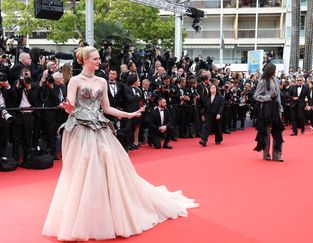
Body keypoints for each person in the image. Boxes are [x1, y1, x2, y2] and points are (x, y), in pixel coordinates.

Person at [42, 46, 198, 241]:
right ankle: (84, 214)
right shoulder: (75, 80)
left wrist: (128, 114)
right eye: (96, 59)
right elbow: (70, 105)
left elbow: (106, 108)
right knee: (83, 171)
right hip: (81, 130)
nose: (99, 62)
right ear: (85, 60)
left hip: (100, 128)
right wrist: (68, 107)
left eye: (99, 58)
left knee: (106, 168)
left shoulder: (102, 81)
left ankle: (107, 210)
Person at [253, 63, 284, 162]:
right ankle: (266, 155)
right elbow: (256, 96)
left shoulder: (277, 80)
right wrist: (269, 97)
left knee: (278, 132)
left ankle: (277, 156)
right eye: (274, 70)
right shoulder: (262, 82)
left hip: (277, 109)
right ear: (269, 70)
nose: (275, 71)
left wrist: (280, 108)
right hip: (267, 110)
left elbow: (278, 96)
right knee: (266, 133)